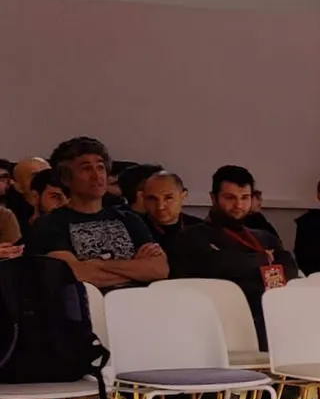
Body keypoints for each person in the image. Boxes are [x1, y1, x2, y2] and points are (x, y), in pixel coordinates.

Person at [167, 167, 298, 346]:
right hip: (214, 323)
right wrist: (262, 259)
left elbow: (290, 269)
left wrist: (242, 267)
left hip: (269, 319)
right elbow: (216, 267)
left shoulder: (264, 237)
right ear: (213, 198)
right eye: (230, 198)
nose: (238, 205)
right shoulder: (192, 235)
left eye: (245, 198)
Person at [26, 137, 167, 291]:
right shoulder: (50, 224)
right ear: (66, 178)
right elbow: (74, 274)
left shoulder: (129, 218)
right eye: (86, 169)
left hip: (137, 300)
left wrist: (97, 264)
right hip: (88, 303)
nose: (97, 176)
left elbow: (159, 269)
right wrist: (136, 268)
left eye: (100, 167)